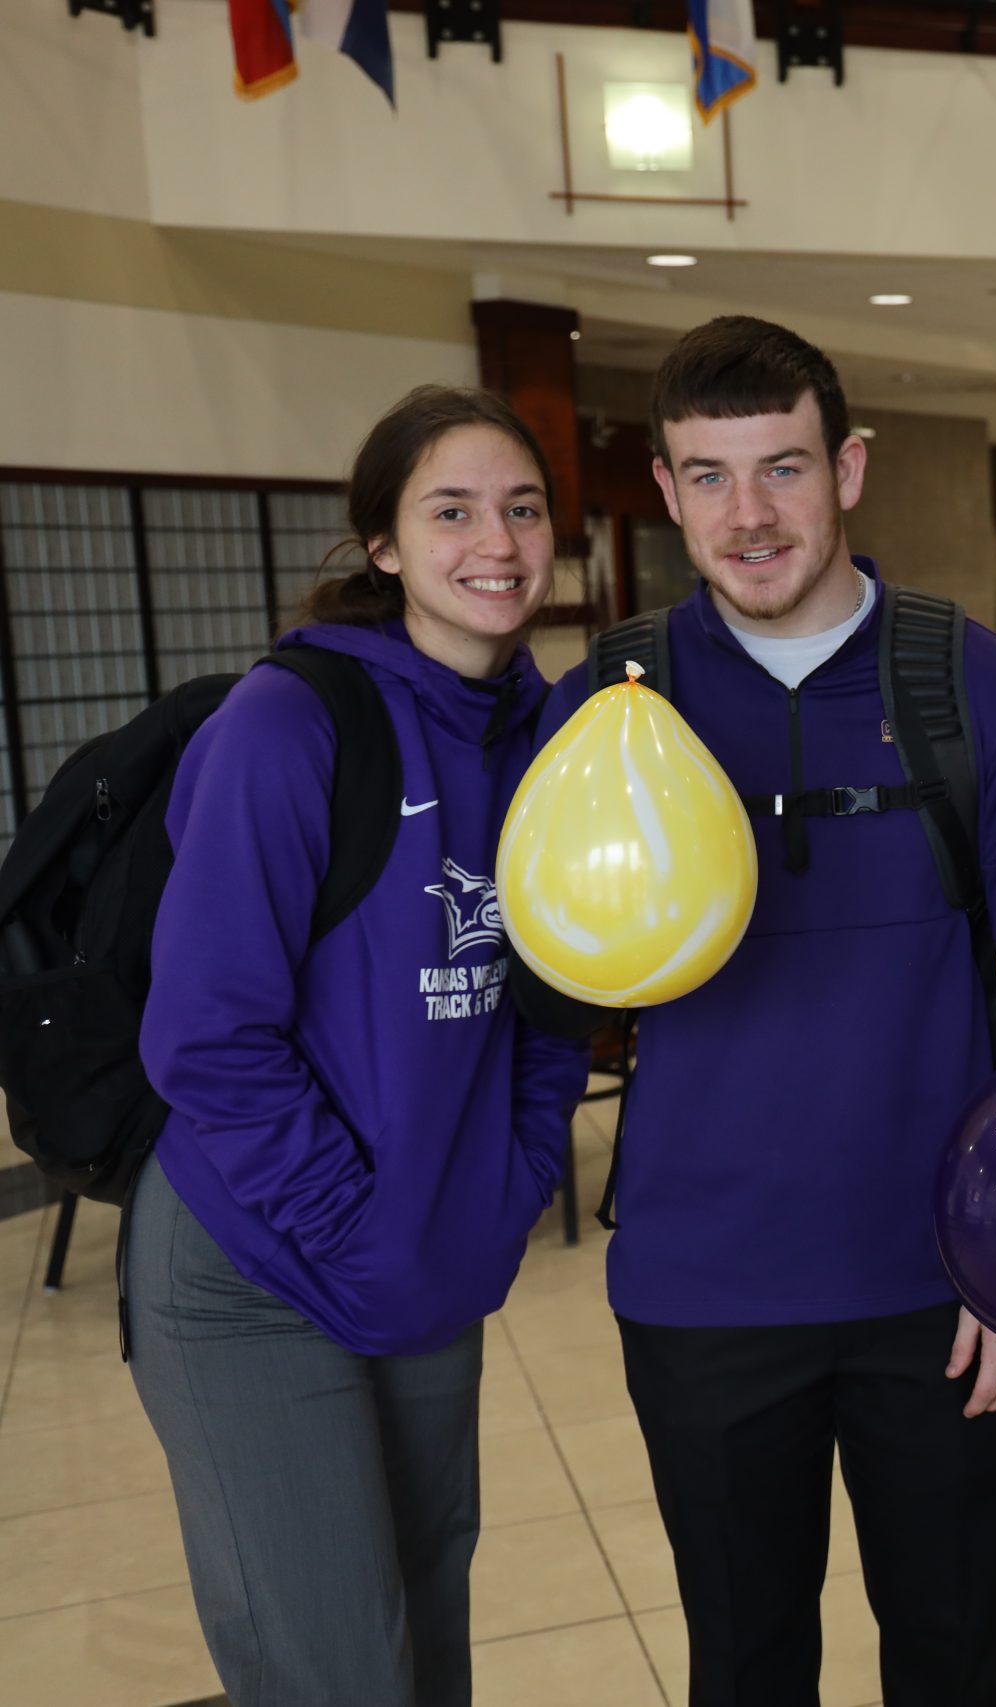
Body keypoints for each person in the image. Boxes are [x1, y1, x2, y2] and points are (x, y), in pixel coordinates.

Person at [522, 317, 996, 1707]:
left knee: (954, 1664)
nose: (750, 513)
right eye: (709, 476)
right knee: (744, 1664)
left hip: (941, 1291)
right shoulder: (608, 696)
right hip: (703, 1290)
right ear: (663, 489)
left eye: (783, 466)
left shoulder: (977, 688)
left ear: (851, 467)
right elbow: (548, 974)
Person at [130, 385, 592, 1707]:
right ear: (382, 545)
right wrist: (358, 1222)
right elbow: (208, 1038)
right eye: (449, 510)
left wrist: (512, 1175)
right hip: (255, 1260)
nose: (493, 540)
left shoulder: (540, 736)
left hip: (429, 1248)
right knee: (336, 1664)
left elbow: (550, 995)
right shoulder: (292, 723)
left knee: (425, 1628)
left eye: (520, 506)